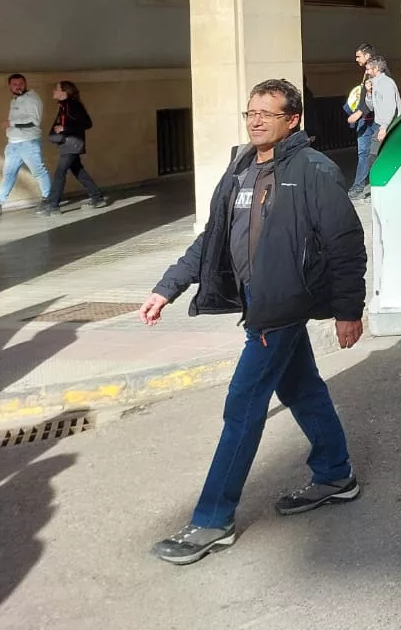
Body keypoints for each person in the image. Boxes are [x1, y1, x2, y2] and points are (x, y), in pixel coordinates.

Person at [140, 78, 365, 565]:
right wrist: (168, 286)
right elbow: (212, 238)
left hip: (281, 306)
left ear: (293, 120)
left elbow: (346, 243)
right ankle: (335, 474)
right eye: (251, 112)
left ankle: (212, 519)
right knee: (302, 388)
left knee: (242, 405)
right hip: (256, 302)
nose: (257, 120)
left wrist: (349, 310)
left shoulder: (312, 170)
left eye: (268, 112)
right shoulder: (240, 167)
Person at [42, 81, 106, 214]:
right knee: (78, 171)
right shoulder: (64, 106)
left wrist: (65, 128)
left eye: (56, 89)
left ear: (64, 92)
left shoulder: (73, 105)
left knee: (60, 173)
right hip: (68, 144)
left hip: (72, 144)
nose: (53, 91)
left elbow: (87, 124)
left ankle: (53, 205)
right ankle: (97, 197)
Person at [0, 73, 51, 212]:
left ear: (26, 83)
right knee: (9, 174)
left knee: (38, 172)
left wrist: (11, 123)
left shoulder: (32, 99)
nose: (18, 87)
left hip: (28, 143)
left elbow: (34, 122)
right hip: (13, 144)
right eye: (14, 84)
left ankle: (48, 199)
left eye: (21, 83)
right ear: (10, 86)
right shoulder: (15, 100)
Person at [360, 56, 401, 198]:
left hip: (387, 124)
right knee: (377, 155)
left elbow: (391, 107)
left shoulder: (386, 83)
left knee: (374, 156)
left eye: (368, 69)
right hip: (381, 123)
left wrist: (384, 127)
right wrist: (369, 92)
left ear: (376, 69)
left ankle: (380, 188)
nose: (366, 72)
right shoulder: (375, 83)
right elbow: (371, 106)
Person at [345, 44, 377, 199]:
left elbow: (374, 98)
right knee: (364, 153)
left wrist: (358, 113)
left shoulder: (376, 73)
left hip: (373, 120)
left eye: (358, 56)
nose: (356, 59)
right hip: (366, 119)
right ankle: (359, 186)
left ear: (367, 56)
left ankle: (367, 187)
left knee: (371, 153)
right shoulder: (367, 73)